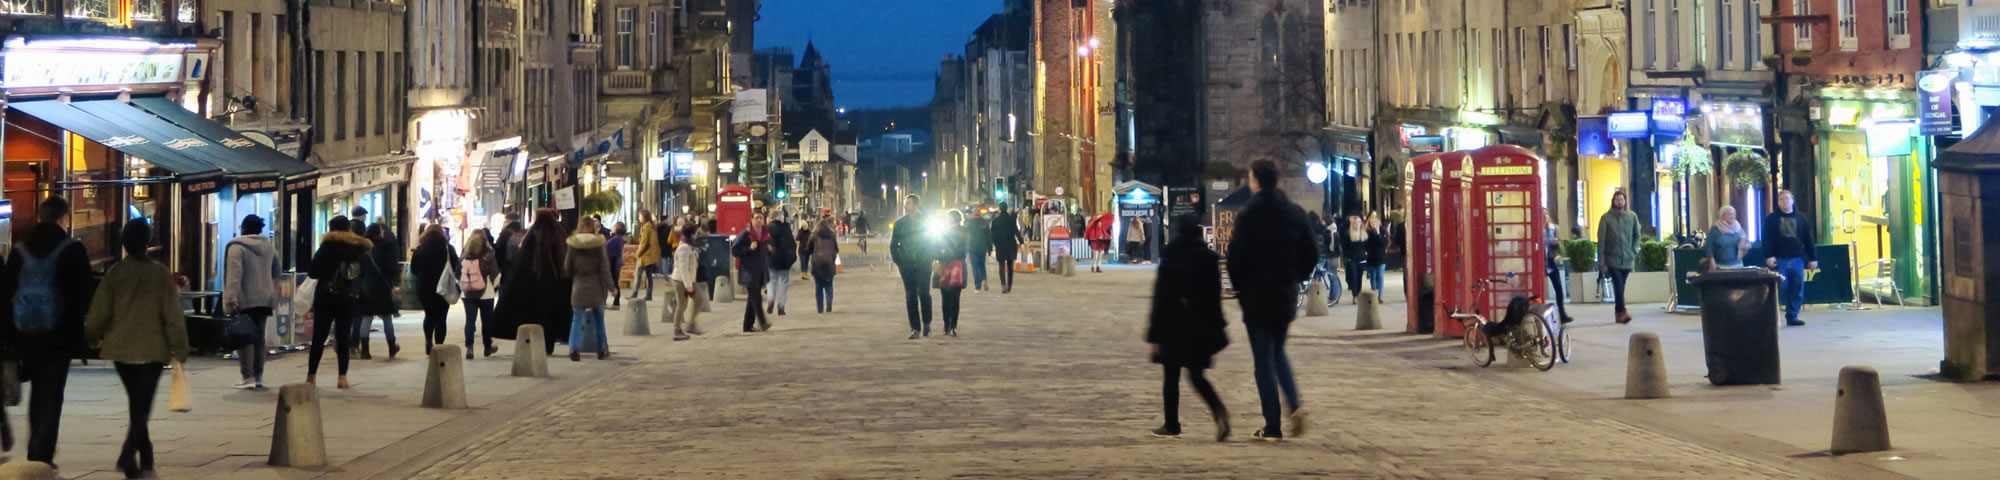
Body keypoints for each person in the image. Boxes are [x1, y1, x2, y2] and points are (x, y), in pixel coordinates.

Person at [83, 219, 189, 478]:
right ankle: (128, 454)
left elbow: (98, 313)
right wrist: (180, 348)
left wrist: (91, 337)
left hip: (121, 349)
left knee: (137, 403)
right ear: (148, 242)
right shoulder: (161, 274)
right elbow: (173, 314)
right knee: (142, 405)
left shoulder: (116, 273)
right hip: (153, 349)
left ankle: (146, 452)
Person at [1225, 159, 1318, 442]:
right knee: (1277, 351)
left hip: (1256, 295)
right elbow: (1311, 253)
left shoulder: (1248, 214)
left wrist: (1241, 289)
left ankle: (1273, 425)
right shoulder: (1294, 212)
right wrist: (1295, 277)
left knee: (1263, 360)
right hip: (1285, 293)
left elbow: (1235, 258)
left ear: (1255, 181)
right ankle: (1295, 404)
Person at [3, 196, 95, 465]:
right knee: (51, 392)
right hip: (59, 335)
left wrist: (9, 335)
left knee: (36, 393)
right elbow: (84, 293)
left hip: (24, 334)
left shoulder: (20, 250)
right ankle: (41, 451)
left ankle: (37, 443)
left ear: (40, 216)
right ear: (64, 217)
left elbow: (7, 292)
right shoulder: (73, 249)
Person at [1146, 218, 1230, 441]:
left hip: (1173, 325)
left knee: (1170, 375)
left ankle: (1171, 424)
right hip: (1201, 326)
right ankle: (1218, 409)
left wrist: (1153, 334)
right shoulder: (1209, 259)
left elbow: (1160, 297)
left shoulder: (1171, 256)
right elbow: (1215, 298)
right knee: (1196, 375)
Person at [307, 216, 393, 389]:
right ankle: (342, 378)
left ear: (331, 229)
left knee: (319, 337)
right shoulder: (359, 248)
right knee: (343, 336)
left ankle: (311, 377)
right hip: (348, 297)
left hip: (325, 296)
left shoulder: (326, 247)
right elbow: (372, 273)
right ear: (349, 229)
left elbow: (313, 273)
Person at [496, 208, 577, 355]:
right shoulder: (559, 234)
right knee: (554, 316)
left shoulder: (532, 235)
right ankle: (549, 344)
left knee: (537, 316)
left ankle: (538, 342)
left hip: (534, 282)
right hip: (557, 282)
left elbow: (522, 260)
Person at [222, 214, 280, 389]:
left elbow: (234, 275)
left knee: (245, 337)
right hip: (264, 298)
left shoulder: (237, 247)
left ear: (243, 228)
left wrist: (231, 297)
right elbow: (277, 271)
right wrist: (270, 288)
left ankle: (247, 376)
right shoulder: (269, 247)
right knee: (259, 338)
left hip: (245, 298)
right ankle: (258, 376)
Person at [1762, 190, 1817, 327]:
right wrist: (1768, 255)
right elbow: (1766, 239)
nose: (1785, 201)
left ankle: (1792, 316)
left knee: (1797, 289)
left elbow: (1808, 239)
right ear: (1778, 202)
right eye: (1782, 199)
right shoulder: (1771, 219)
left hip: (1797, 259)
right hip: (1778, 260)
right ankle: (1771, 316)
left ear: (1792, 201)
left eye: (1787, 198)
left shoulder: (1801, 219)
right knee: (1780, 287)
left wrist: (1813, 258)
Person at [565, 217, 616, 360]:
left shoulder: (573, 245)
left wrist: (573, 276)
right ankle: (601, 349)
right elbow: (605, 269)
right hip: (596, 286)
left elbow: (567, 267)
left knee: (577, 319)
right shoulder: (599, 245)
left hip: (579, 285)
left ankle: (574, 348)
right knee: (599, 319)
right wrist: (612, 287)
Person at [410, 225, 461, 356]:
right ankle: (439, 346)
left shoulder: (420, 249)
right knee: (441, 318)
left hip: (424, 287)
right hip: (443, 287)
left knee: (429, 315)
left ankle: (428, 340)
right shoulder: (447, 248)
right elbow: (456, 266)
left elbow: (414, 269)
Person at [356, 222, 404, 358]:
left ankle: (365, 350)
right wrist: (393, 282)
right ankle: (391, 347)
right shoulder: (387, 247)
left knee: (367, 317)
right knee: (387, 317)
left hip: (366, 287)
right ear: (379, 233)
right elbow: (391, 268)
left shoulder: (363, 249)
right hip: (383, 287)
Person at [891, 195, 935, 339]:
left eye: (908, 203)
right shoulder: (899, 224)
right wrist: (900, 262)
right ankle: (915, 328)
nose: (905, 206)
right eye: (905, 203)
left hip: (923, 263)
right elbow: (894, 246)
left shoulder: (926, 221)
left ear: (916, 205)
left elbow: (933, 241)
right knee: (910, 296)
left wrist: (930, 258)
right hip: (907, 265)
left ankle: (927, 322)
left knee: (924, 293)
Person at [1596, 190, 1642, 325]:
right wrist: (1602, 258)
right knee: (1618, 284)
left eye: (1622, 199)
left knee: (1621, 286)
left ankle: (1618, 313)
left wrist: (1634, 250)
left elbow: (1637, 236)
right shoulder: (1606, 218)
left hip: (1628, 258)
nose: (1620, 202)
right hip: (1612, 258)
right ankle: (1622, 311)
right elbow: (1601, 239)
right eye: (1617, 200)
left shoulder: (1632, 216)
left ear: (1625, 201)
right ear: (1613, 201)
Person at [461, 230, 500, 358]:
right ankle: (487, 347)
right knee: (486, 321)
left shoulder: (464, 255)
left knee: (470, 320)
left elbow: (457, 274)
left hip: (468, 293)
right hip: (486, 293)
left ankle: (469, 348)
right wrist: (495, 288)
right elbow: (495, 274)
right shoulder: (489, 255)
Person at [734, 213, 775, 332]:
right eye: (756, 218)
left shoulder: (765, 235)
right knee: (756, 298)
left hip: (761, 271)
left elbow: (772, 248)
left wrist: (771, 250)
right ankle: (762, 322)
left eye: (761, 218)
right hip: (749, 272)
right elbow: (735, 251)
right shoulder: (745, 235)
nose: (758, 220)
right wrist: (749, 249)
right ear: (751, 220)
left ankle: (747, 326)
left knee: (752, 299)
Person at [670, 223, 706, 340]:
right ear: (692, 234)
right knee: (682, 305)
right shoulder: (684, 248)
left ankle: (691, 324)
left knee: (699, 300)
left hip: (690, 280)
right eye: (695, 232)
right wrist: (688, 286)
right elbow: (683, 268)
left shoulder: (689, 245)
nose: (696, 235)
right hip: (681, 280)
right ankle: (677, 330)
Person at [935, 210, 969, 337]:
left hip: (957, 266)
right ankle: (946, 325)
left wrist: (947, 252)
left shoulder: (963, 231)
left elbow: (964, 250)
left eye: (948, 218)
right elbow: (936, 246)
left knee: (955, 297)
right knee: (945, 297)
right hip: (944, 266)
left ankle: (953, 325)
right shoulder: (942, 231)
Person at [1544, 213, 1576, 325]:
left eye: (1546, 214)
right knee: (1539, 292)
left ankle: (1562, 315)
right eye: (1542, 214)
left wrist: (1556, 243)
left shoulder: (1554, 228)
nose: (1544, 216)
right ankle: (1540, 315)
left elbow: (1558, 244)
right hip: (1539, 262)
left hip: (1551, 262)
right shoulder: (1536, 228)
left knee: (1559, 290)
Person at [804, 219, 841, 313]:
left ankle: (820, 309)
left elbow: (808, 249)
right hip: (829, 264)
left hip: (817, 264)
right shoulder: (832, 235)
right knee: (829, 285)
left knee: (818, 287)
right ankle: (829, 301)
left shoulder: (814, 235)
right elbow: (836, 249)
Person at [766, 211, 797, 316]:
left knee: (771, 281)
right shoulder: (786, 228)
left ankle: (770, 299)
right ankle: (781, 307)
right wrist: (791, 258)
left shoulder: (767, 229)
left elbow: (764, 243)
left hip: (772, 259)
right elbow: (792, 244)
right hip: (784, 260)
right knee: (783, 283)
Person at [990, 204, 1024, 294]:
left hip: (1000, 246)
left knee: (1001, 266)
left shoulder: (995, 221)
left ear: (1000, 209)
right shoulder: (1011, 220)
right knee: (1010, 267)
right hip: (1010, 245)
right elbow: (1016, 231)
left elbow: (992, 235)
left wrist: (995, 244)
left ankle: (1003, 285)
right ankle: (1009, 285)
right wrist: (1021, 242)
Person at [629, 212, 660, 302]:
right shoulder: (652, 225)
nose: (639, 218)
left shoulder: (646, 226)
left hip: (646, 255)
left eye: (640, 216)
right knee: (649, 275)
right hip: (651, 254)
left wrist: (638, 254)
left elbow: (644, 242)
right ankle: (649, 294)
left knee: (638, 274)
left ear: (644, 217)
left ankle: (634, 293)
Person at [1707, 205, 1750, 270]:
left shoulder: (1738, 228)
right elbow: (1708, 246)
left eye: (1733, 214)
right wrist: (1711, 260)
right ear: (1722, 215)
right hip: (1720, 265)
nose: (1732, 216)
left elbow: (1746, 242)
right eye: (1729, 214)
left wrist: (1744, 246)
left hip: (1737, 265)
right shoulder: (1715, 229)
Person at [1340, 215, 1368, 302]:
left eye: (1359, 222)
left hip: (1361, 258)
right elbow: (1344, 247)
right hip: (1351, 258)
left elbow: (1367, 246)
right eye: (1355, 222)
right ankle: (1354, 295)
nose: (1357, 224)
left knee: (1359, 277)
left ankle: (1359, 293)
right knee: (1353, 276)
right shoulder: (1347, 234)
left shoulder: (1364, 234)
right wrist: (1346, 258)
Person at [967, 211, 992, 292]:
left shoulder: (969, 223)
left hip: (972, 248)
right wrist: (990, 248)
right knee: (982, 265)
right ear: (980, 215)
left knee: (975, 267)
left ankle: (977, 287)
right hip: (982, 248)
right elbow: (989, 236)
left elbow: (965, 236)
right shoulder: (985, 223)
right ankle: (984, 279)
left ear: (973, 214)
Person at [1365, 213, 1388, 295]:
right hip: (1371, 256)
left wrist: (1378, 233)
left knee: (1380, 275)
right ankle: (1374, 292)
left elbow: (1383, 243)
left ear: (1378, 222)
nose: (1373, 224)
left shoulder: (1382, 231)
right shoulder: (1367, 232)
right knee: (1373, 276)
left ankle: (1380, 295)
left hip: (1381, 256)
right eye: (1371, 222)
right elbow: (1365, 244)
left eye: (1375, 222)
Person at [606, 222, 627, 308]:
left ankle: (616, 301)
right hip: (615, 261)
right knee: (615, 281)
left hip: (613, 262)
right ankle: (616, 301)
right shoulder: (618, 239)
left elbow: (607, 247)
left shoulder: (616, 239)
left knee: (613, 281)